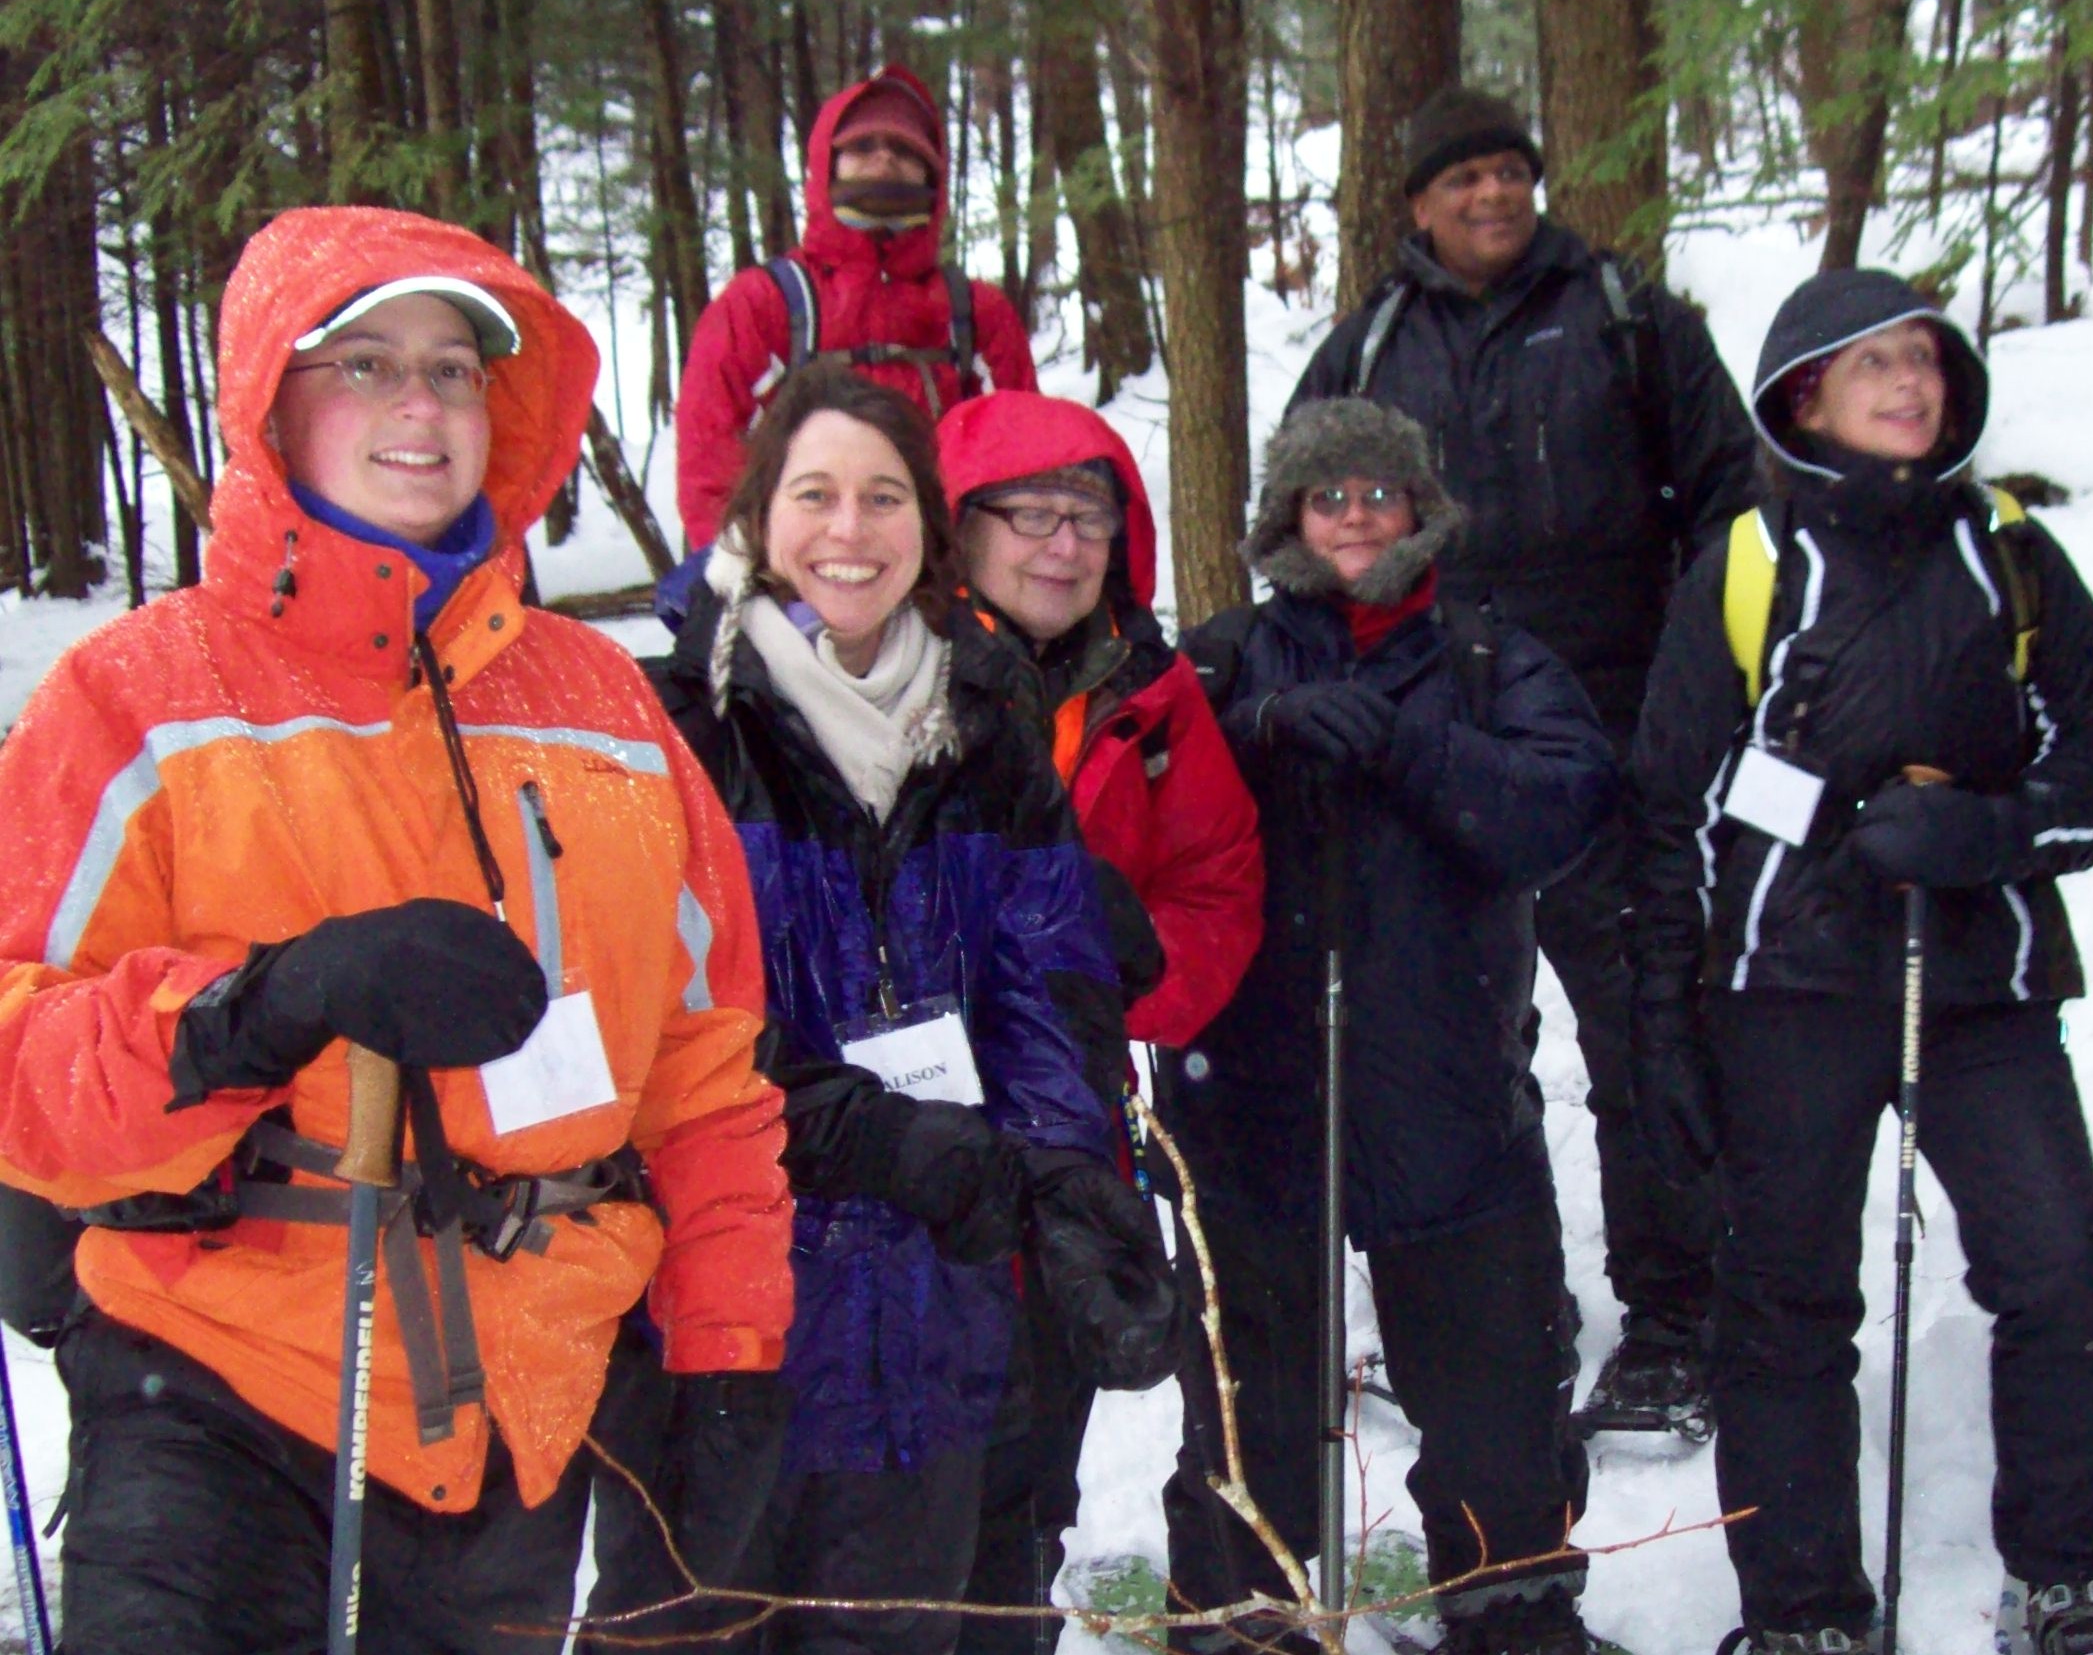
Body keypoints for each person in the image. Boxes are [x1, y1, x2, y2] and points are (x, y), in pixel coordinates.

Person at [0, 205, 794, 1653]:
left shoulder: (606, 708)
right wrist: (258, 1009)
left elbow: (704, 1065)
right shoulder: (132, 697)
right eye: (362, 364)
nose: (419, 405)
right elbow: (15, 1068)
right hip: (217, 1397)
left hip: (517, 1430)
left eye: (450, 366)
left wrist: (727, 1343)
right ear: (271, 400)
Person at [1627, 271, 2093, 1655]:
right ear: (1802, 395)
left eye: (1923, 358)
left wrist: (1982, 831)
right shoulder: (1742, 567)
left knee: (2066, 1276)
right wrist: (1663, 1028)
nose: (1907, 384)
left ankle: (2072, 1573)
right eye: (1870, 364)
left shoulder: (2009, 552)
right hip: (1783, 997)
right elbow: (1670, 812)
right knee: (1784, 1307)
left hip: (1974, 985)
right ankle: (1805, 1611)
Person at [598, 364, 1177, 1655]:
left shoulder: (982, 718)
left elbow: (1040, 988)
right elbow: (648, 1023)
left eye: (881, 496)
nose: (847, 532)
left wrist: (1080, 1199)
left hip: (933, 1322)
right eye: (814, 495)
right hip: (713, 1320)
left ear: (926, 524)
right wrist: (852, 1133)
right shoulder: (677, 723)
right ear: (758, 515)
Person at [1287, 85, 1761, 1429]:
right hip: (1428, 750)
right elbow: (1301, 522)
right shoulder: (1369, 344)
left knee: (1638, 1028)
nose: (1491, 197)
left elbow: (1731, 504)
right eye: (1462, 180)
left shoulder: (1627, 320)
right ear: (1415, 206)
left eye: (1509, 172)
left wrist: (1690, 685)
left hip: (1611, 740)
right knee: (1452, 1040)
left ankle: (1674, 1315)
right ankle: (1510, 1304)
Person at [1156, 398, 1615, 1655]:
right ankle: (1247, 1617)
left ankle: (1512, 1617)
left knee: (1494, 1414)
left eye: (1379, 495)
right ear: (1286, 519)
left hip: (1452, 1100)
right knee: (1250, 1412)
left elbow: (1563, 807)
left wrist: (1414, 750)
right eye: (1327, 497)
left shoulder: (1486, 658)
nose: (1356, 518)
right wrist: (1255, 736)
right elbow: (1132, 805)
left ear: (1420, 511)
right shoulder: (1220, 659)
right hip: (1250, 1107)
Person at [932, 389, 1265, 1653]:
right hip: (889, 1139)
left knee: (1026, 1473)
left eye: (1089, 518)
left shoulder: (1149, 688)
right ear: (959, 528)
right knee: (893, 1477)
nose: (1063, 546)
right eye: (1030, 515)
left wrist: (1123, 983)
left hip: (1067, 1132)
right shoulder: (879, 657)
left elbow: (1219, 875)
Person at [676, 64, 1039, 553]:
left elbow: (1022, 464)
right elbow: (711, 464)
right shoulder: (760, 307)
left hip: (945, 583)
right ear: (828, 162)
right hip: (798, 583)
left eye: (907, 149)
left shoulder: (976, 315)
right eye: (863, 146)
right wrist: (747, 586)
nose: (885, 158)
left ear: (934, 172)